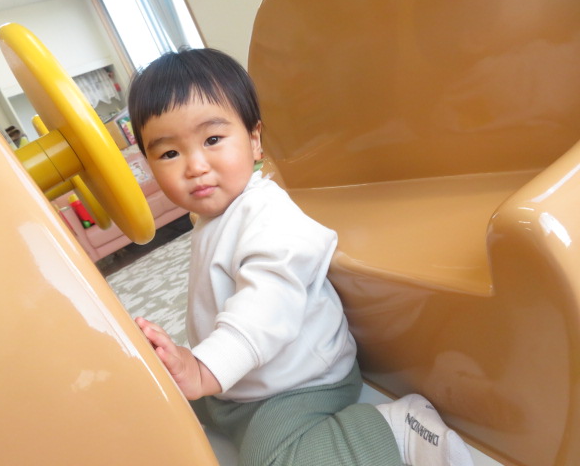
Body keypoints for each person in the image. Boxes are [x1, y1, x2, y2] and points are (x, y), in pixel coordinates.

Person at [128, 48, 473, 466]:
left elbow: (263, 312)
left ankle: (393, 430)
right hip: (241, 380)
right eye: (169, 153)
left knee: (271, 459)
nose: (195, 166)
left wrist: (203, 368)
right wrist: (186, 366)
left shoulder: (271, 218)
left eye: (213, 140)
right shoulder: (212, 218)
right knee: (164, 399)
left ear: (254, 140)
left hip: (299, 384)